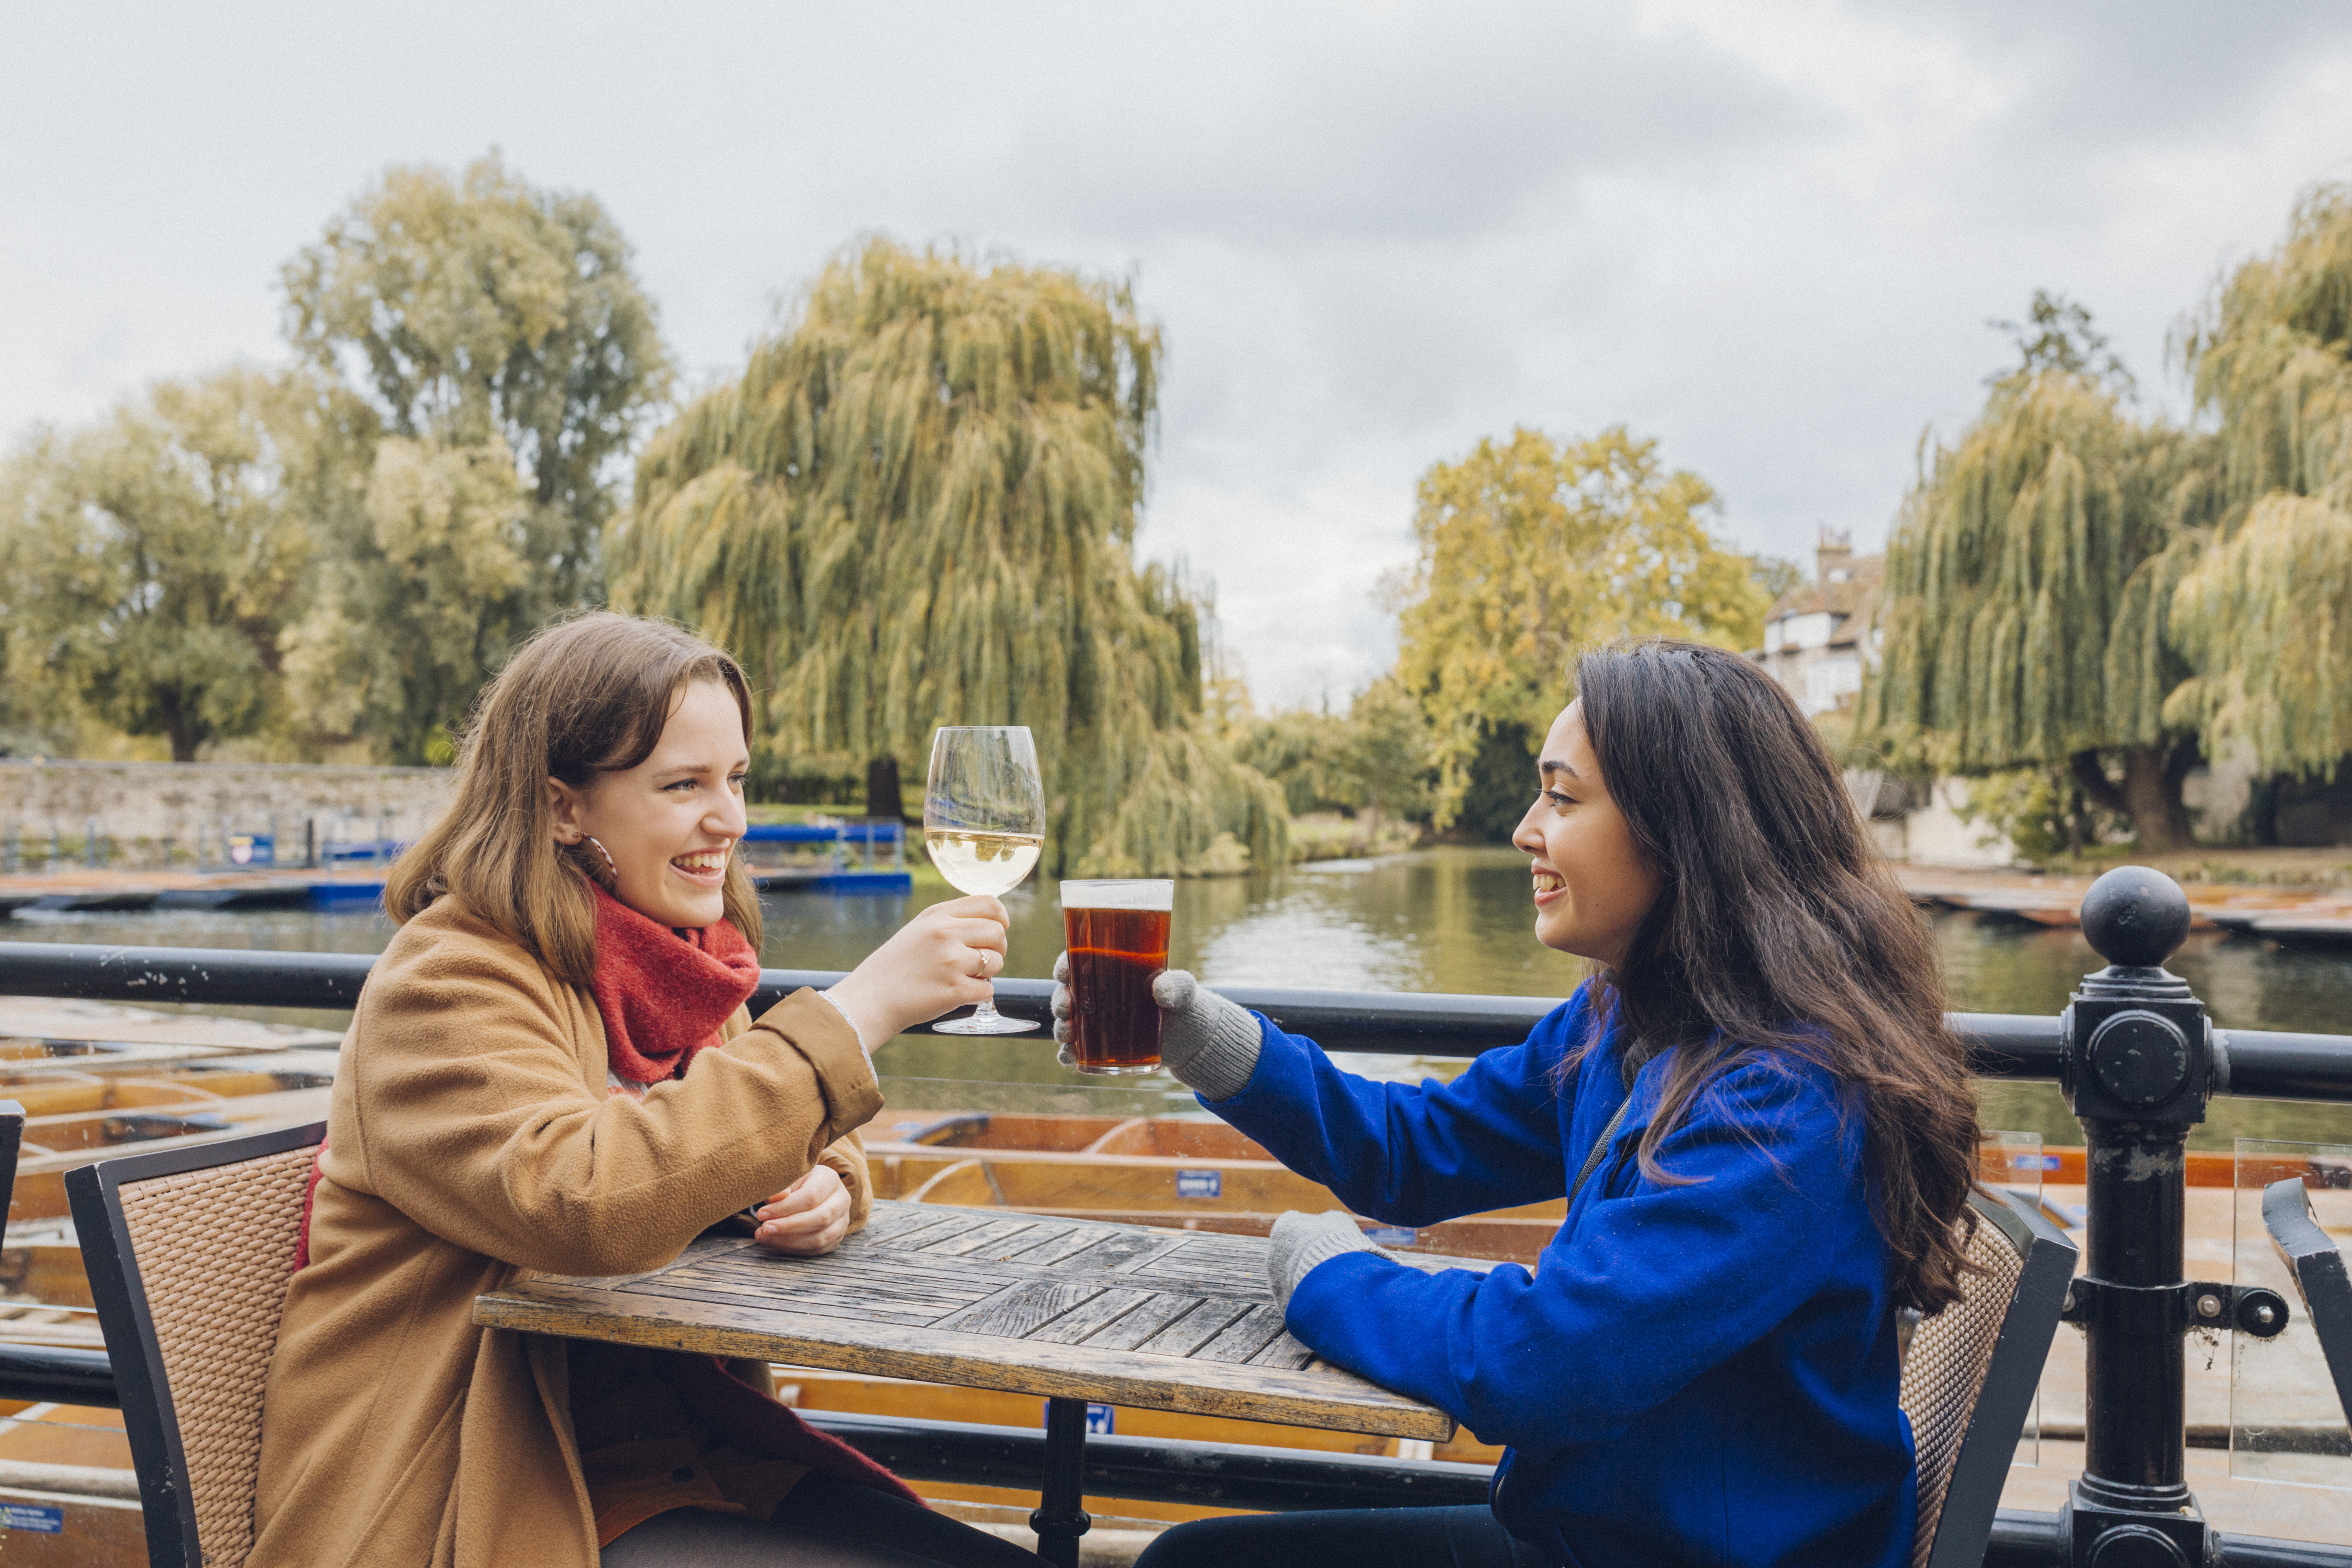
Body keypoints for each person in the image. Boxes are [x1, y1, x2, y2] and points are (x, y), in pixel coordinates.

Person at [1065, 638, 1981, 1568]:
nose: (1525, 828)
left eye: (1563, 796)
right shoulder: (1627, 1015)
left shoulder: (1785, 1099)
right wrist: (1214, 1047)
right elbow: (1416, 1149)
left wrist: (1332, 1283)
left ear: (1684, 831)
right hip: (1600, 1539)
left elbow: (1546, 1364)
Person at [251, 612, 1040, 1568]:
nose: (733, 820)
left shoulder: (678, 967)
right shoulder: (446, 985)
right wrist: (859, 1011)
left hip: (683, 1458)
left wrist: (830, 1185)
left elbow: (747, 1131)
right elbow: (584, 1201)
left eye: (736, 780)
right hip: (483, 1497)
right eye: (684, 786)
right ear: (561, 808)